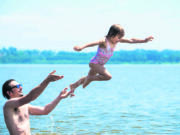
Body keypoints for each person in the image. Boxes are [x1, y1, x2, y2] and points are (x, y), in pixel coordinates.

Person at [70, 24, 154, 94]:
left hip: (100, 64)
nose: (119, 39)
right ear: (112, 34)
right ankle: (91, 78)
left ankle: (74, 85)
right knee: (108, 77)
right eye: (118, 37)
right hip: (95, 63)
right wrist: (81, 47)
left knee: (85, 85)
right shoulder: (104, 41)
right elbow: (92, 43)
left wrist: (144, 40)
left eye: (120, 37)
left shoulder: (117, 41)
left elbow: (131, 40)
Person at [2, 70, 72, 135]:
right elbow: (30, 97)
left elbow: (45, 110)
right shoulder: (8, 105)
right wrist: (47, 81)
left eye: (20, 85)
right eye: (17, 86)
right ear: (9, 93)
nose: (21, 88)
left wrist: (59, 97)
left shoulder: (25, 106)